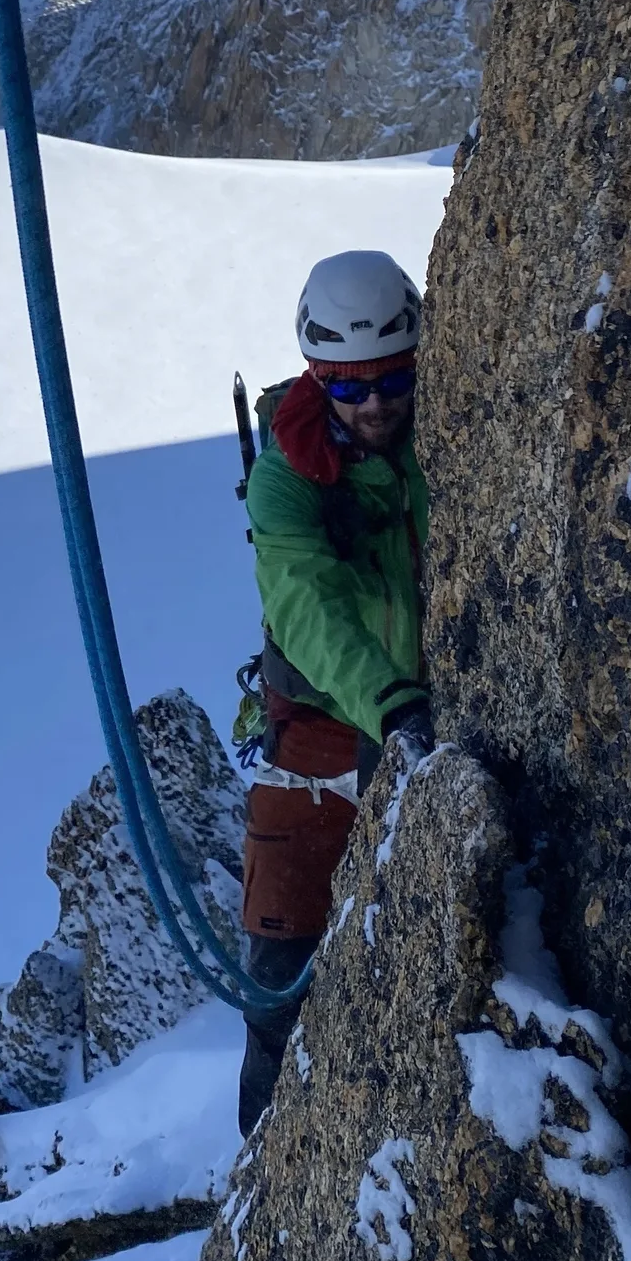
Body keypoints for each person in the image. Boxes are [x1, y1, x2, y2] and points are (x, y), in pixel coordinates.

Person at [237, 249, 434, 1135]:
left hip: (411, 716)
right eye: (350, 390)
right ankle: (261, 1184)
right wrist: (390, 703)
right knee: (279, 981)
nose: (377, 405)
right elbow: (304, 601)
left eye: (392, 380)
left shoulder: (447, 429)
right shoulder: (287, 471)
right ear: (318, 379)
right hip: (322, 734)